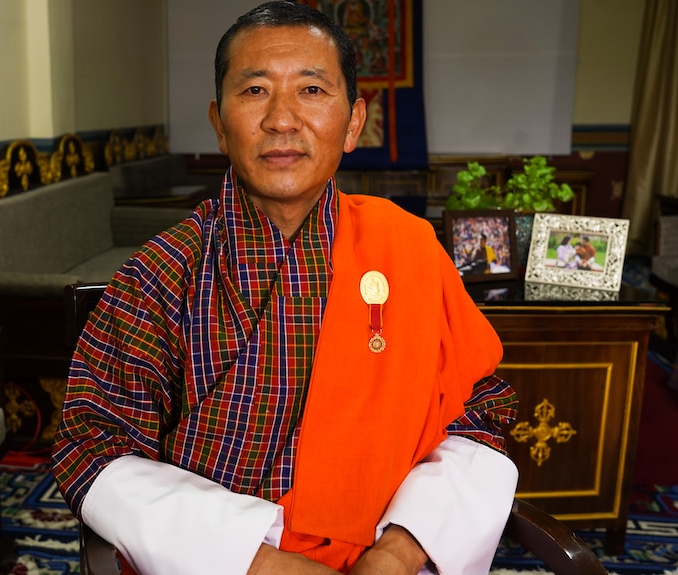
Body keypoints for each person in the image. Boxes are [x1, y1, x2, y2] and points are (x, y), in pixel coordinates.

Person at [52, 2, 519, 574]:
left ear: (353, 124)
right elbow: (91, 447)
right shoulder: (163, 273)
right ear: (220, 124)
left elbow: (478, 410)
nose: (281, 119)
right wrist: (262, 563)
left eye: (312, 91)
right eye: (254, 91)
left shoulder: (408, 248)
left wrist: (399, 552)